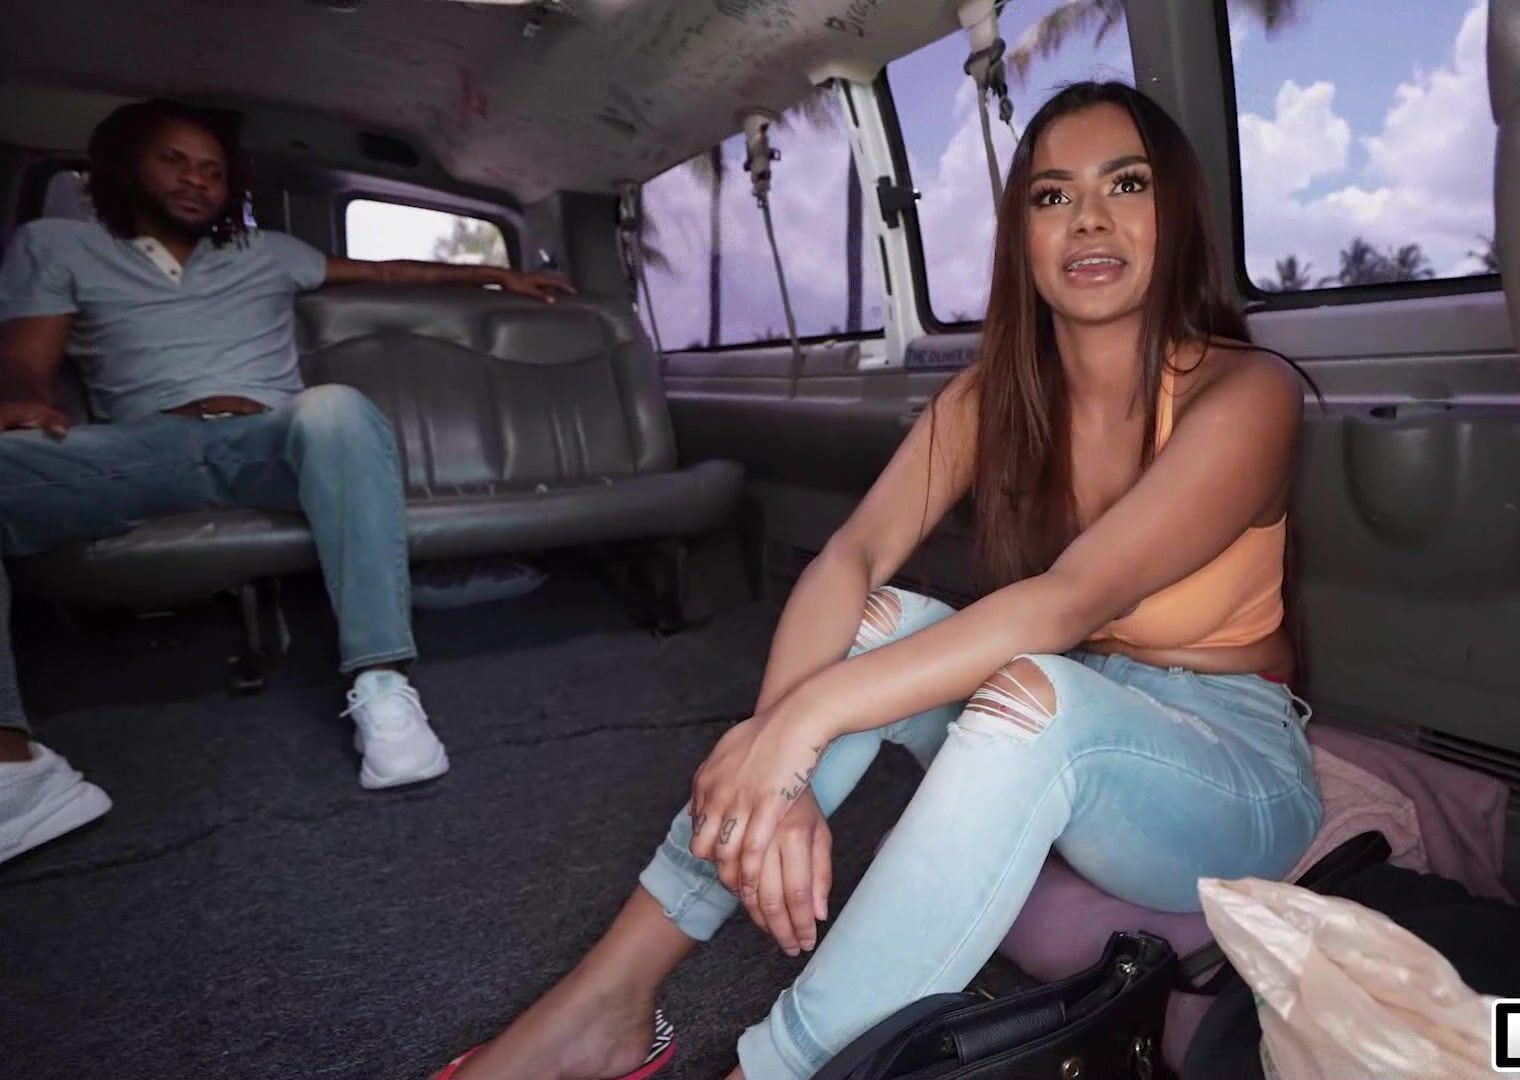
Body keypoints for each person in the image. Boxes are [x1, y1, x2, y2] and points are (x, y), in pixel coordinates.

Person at [443, 81, 1325, 1080]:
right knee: (871, 621)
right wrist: (777, 756)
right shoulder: (995, 397)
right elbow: (853, 554)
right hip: (1074, 708)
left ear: (1179, 212)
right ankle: (606, 1005)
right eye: (1052, 195)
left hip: (1225, 768)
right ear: (1022, 235)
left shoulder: (1246, 392)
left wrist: (802, 722)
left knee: (1030, 696)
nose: (1088, 218)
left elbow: (1071, 600)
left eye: (1127, 185)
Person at [0, 98, 573, 865]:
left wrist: (500, 276)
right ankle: (16, 772)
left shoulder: (267, 252)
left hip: (270, 442)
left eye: (212, 171)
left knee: (334, 408)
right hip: (143, 448)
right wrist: (22, 398)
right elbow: (24, 360)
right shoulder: (58, 245)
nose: (196, 181)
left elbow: (391, 272)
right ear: (126, 167)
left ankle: (382, 689)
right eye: (175, 161)